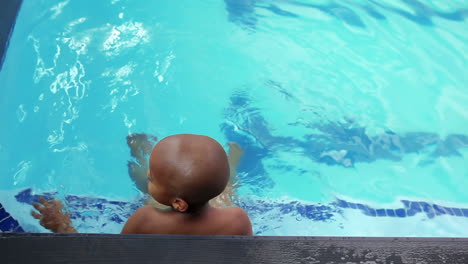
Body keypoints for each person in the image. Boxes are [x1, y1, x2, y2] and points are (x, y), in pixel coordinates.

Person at [31, 134, 252, 236]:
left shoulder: (146, 219)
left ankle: (139, 152)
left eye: (151, 177)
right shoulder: (236, 219)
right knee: (224, 194)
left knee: (153, 194)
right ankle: (231, 163)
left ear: (178, 204)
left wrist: (64, 228)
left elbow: (109, 257)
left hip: (168, 206)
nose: (149, 175)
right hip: (211, 202)